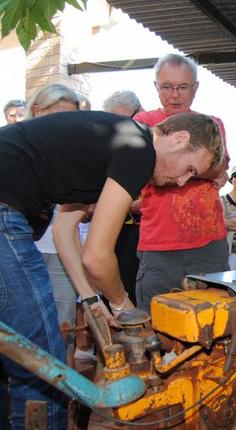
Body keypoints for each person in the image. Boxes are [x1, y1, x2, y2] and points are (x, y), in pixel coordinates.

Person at [0, 110, 223, 429]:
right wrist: (125, 308)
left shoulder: (110, 139)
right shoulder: (139, 147)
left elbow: (64, 229)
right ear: (179, 138)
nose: (183, 181)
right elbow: (97, 256)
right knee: (45, 370)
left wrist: (90, 301)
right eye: (189, 169)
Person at [132, 53, 230, 312]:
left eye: (183, 87)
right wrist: (202, 167)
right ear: (156, 86)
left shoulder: (212, 123)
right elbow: (148, 170)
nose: (175, 95)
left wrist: (167, 166)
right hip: (158, 246)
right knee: (155, 324)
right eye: (167, 87)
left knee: (217, 322)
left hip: (209, 245)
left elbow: (219, 166)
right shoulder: (142, 123)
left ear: (195, 88)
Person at [26, 84, 81, 357]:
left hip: (63, 254)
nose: (63, 124)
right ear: (37, 111)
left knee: (65, 325)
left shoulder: (77, 154)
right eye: (56, 114)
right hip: (24, 252)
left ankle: (66, 393)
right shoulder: (17, 148)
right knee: (26, 325)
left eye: (70, 117)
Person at [102, 90, 145, 304]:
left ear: (141, 114)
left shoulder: (155, 146)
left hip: (147, 236)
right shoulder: (106, 149)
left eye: (126, 121)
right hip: (115, 234)